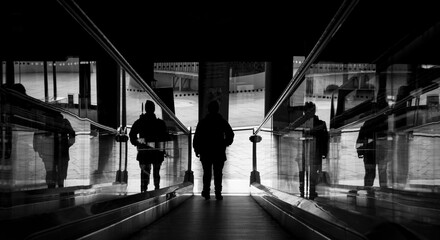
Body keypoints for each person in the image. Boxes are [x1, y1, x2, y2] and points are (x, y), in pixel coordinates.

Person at [193, 100, 234, 200]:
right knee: (218, 173)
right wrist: (225, 143)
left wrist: (197, 149)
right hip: (219, 151)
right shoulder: (222, 121)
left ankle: (206, 191)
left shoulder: (203, 122)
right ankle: (218, 193)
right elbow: (230, 134)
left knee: (206, 172)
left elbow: (197, 137)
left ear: (208, 109)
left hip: (206, 151)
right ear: (218, 109)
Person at [129, 100, 170, 192]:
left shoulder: (139, 122)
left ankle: (144, 189)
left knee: (145, 172)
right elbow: (165, 137)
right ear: (154, 109)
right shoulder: (160, 123)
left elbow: (132, 136)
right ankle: (157, 188)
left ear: (145, 109)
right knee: (156, 172)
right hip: (157, 152)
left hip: (144, 152)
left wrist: (139, 143)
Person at [33, 112, 75, 188]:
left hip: (49, 153)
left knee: (50, 173)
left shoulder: (45, 121)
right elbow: (72, 135)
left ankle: (51, 189)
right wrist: (66, 145)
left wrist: (38, 149)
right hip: (61, 153)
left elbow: (37, 135)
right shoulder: (64, 122)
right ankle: (59, 190)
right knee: (60, 176)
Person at [300, 102, 329, 199]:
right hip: (312, 152)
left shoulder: (301, 123)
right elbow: (325, 138)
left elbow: (325, 139)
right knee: (309, 172)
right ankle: (309, 191)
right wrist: (324, 152)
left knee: (309, 172)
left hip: (313, 151)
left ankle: (307, 191)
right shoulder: (321, 123)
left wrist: (324, 152)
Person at [356, 113, 388, 187]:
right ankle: (384, 190)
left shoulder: (366, 124)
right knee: (383, 172)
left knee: (370, 172)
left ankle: (368, 189)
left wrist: (360, 152)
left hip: (369, 151)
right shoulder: (384, 120)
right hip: (382, 150)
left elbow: (360, 140)